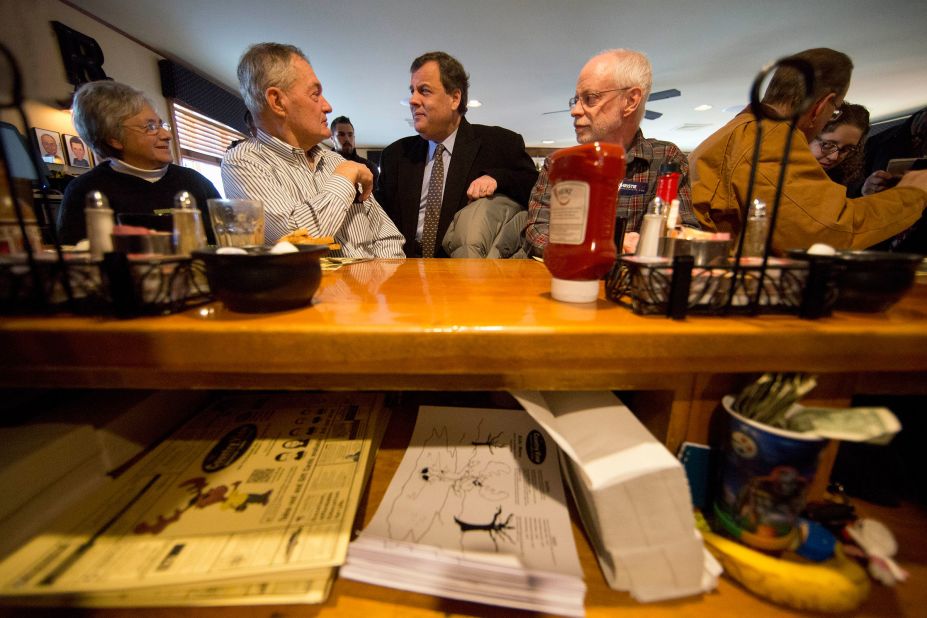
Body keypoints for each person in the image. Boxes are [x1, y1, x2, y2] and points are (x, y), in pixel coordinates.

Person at [689, 48, 927, 254]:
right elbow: (827, 231)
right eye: (834, 109)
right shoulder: (770, 136)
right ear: (821, 105)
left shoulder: (738, 129)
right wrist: (912, 194)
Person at [222, 43, 403, 257]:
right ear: (277, 102)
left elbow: (390, 238)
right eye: (315, 94)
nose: (328, 106)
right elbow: (296, 244)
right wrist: (344, 178)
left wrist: (379, 277)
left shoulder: (336, 161)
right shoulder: (243, 162)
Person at [523, 49, 698, 258]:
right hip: (570, 273)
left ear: (630, 101)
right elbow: (536, 230)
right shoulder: (559, 163)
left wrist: (659, 241)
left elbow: (686, 232)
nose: (574, 110)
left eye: (590, 98)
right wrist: (608, 245)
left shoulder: (666, 158)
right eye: (576, 99)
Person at [375, 51, 538, 258]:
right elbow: (378, 219)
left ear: (455, 98)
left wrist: (498, 179)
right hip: (404, 270)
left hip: (469, 273)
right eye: (412, 91)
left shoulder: (500, 143)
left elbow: (535, 190)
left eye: (424, 91)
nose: (413, 100)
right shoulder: (395, 155)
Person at [56, 81, 219, 245]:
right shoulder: (84, 191)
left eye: (161, 124)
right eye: (150, 127)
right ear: (114, 139)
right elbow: (77, 255)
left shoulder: (196, 181)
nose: (167, 135)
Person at [809, 102, 869, 187]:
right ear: (808, 135)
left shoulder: (840, 183)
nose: (834, 157)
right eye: (828, 145)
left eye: (846, 149)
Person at [330, 115, 379, 186]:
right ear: (332, 139)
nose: (347, 139)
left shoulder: (370, 167)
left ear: (354, 138)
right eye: (341, 134)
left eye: (350, 135)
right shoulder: (322, 167)